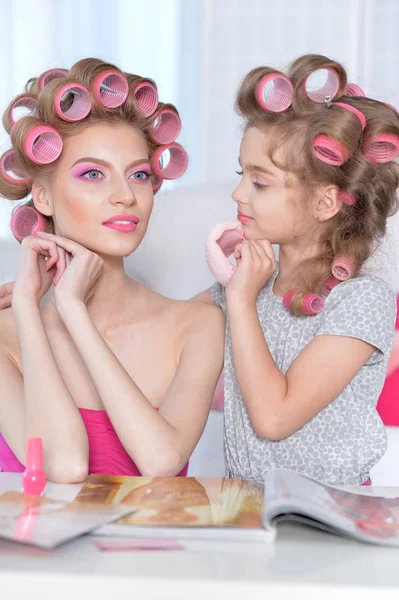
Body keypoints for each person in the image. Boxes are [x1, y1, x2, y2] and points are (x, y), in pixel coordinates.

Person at [0, 58, 224, 482]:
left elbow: (161, 463)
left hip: (154, 548)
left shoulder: (198, 326)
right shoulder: (7, 331)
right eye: (93, 174)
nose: (125, 195)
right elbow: (63, 467)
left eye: (138, 174)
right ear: (43, 197)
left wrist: (75, 312)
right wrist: (29, 309)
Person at [197, 54, 399, 485]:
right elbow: (164, 327)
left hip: (330, 518)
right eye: (241, 173)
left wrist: (241, 301)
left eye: (259, 181)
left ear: (325, 202)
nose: (237, 193)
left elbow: (274, 417)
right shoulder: (253, 281)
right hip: (248, 509)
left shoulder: (361, 300)